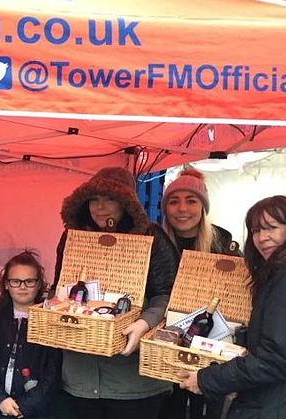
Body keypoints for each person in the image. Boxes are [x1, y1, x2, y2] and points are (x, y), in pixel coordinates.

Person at [179, 195, 286, 419]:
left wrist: (208, 379)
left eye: (272, 228)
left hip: (283, 405)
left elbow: (275, 358)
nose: (262, 238)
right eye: (256, 230)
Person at [51, 167, 178, 419]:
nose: (100, 207)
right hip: (81, 377)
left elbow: (169, 294)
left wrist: (144, 323)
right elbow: (59, 286)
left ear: (126, 202)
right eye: (94, 200)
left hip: (133, 381)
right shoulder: (71, 238)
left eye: (109, 199)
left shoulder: (152, 236)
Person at [158, 167, 238, 419]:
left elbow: (237, 294)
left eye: (191, 201)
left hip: (210, 343)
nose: (182, 209)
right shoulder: (157, 242)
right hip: (165, 344)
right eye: (174, 201)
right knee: (170, 407)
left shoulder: (222, 242)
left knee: (209, 409)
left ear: (203, 207)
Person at [0, 251, 62, 419]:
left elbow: (52, 372)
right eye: (16, 281)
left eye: (29, 281)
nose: (22, 287)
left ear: (39, 285)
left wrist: (25, 406)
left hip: (35, 412)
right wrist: (0, 399)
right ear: (6, 284)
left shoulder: (49, 320)